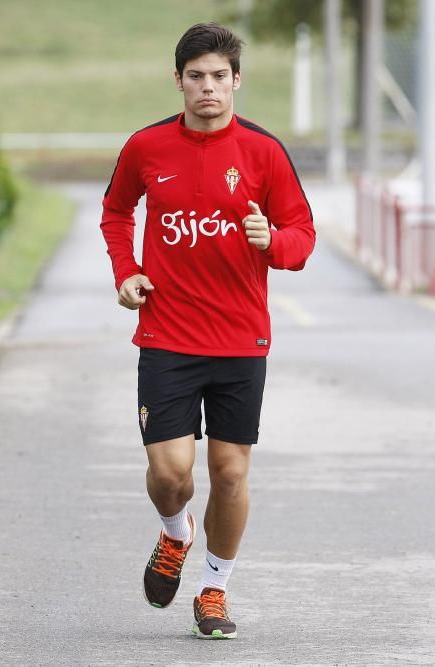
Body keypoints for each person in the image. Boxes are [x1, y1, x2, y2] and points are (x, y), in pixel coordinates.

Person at [100, 22, 315, 640]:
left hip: (240, 339)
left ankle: (215, 588)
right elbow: (116, 212)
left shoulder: (264, 152)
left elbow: (302, 236)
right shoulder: (146, 148)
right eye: (196, 77)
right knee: (171, 475)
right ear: (179, 82)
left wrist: (271, 241)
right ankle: (175, 534)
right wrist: (128, 272)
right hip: (166, 333)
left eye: (219, 77)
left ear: (236, 81)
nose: (208, 89)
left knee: (229, 474)